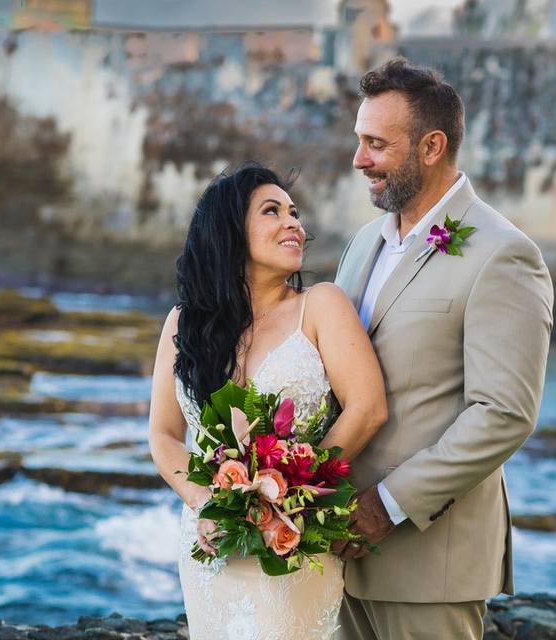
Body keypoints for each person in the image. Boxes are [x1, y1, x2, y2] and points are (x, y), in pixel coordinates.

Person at [333, 57, 554, 639]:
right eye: (360, 141)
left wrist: (387, 505)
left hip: (429, 561)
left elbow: (504, 413)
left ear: (431, 146)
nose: (359, 160)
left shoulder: (503, 254)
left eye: (377, 144)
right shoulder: (363, 243)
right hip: (334, 552)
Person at [147, 163, 388, 639]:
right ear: (230, 232)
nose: (293, 223)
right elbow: (164, 434)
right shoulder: (182, 323)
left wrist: (291, 490)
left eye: (295, 213)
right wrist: (207, 502)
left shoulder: (320, 305)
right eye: (272, 211)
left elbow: (368, 407)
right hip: (211, 544)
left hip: (292, 540)